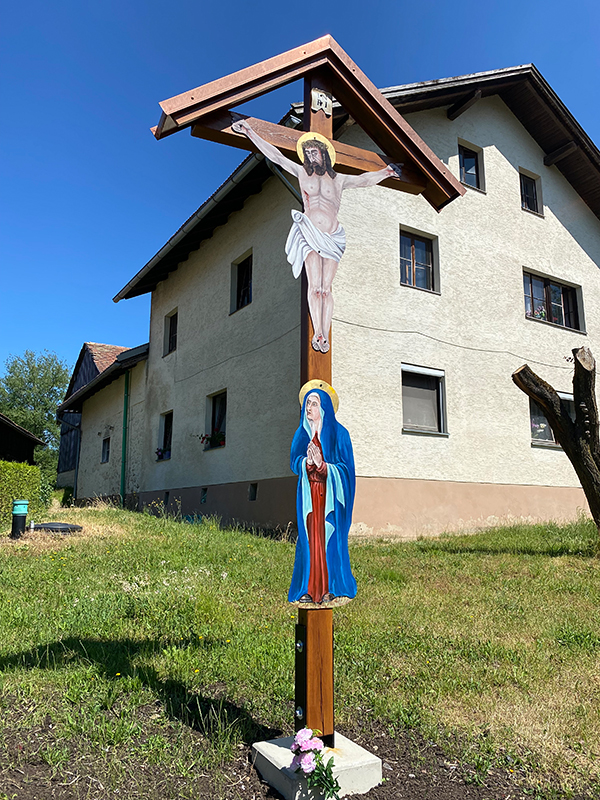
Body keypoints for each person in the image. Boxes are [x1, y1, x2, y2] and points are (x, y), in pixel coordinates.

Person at [231, 119, 401, 353]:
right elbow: (277, 157)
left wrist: (387, 172)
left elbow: (364, 179)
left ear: (324, 154)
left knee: (326, 289)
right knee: (315, 287)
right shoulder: (302, 172)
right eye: (308, 153)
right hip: (309, 233)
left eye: (314, 152)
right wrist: (250, 133)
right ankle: (317, 331)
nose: (311, 157)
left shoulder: (340, 179)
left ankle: (325, 332)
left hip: (333, 237)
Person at [288, 382, 357, 604]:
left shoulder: (340, 434)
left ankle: (331, 588)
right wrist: (306, 463)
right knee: (310, 539)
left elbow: (347, 471)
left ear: (324, 407)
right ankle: (308, 589)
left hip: (330, 498)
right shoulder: (301, 435)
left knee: (329, 537)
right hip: (309, 496)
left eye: (314, 404)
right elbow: (294, 462)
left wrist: (324, 466)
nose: (308, 408)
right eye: (307, 403)